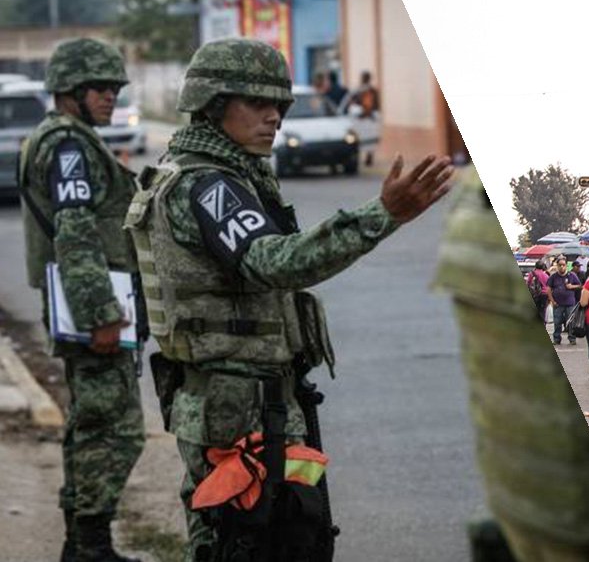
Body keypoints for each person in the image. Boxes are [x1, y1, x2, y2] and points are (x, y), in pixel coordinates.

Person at [123, 38, 453, 561]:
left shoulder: (209, 171)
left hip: (238, 396)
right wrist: (381, 215)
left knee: (262, 535)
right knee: (260, 539)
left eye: (280, 105)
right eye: (257, 103)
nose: (273, 116)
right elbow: (275, 262)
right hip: (239, 406)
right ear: (213, 104)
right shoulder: (210, 186)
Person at [18, 37, 145, 562]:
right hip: (93, 311)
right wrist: (101, 315)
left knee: (92, 424)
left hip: (87, 305)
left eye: (114, 86)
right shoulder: (69, 146)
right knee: (113, 431)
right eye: (98, 87)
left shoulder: (65, 138)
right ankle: (92, 547)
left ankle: (83, 545)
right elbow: (76, 233)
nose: (109, 95)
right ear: (69, 90)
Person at [546, 257, 581, 345]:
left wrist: (572, 286)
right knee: (557, 322)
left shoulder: (572, 275)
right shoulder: (553, 277)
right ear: (557, 266)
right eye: (560, 265)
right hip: (558, 304)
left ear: (566, 266)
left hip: (570, 303)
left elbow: (580, 286)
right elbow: (548, 289)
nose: (562, 267)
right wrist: (552, 301)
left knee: (570, 322)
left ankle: (572, 338)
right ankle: (557, 339)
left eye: (563, 265)